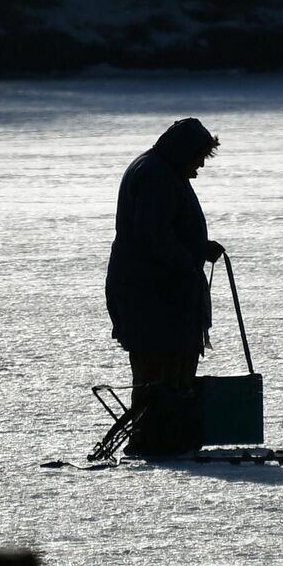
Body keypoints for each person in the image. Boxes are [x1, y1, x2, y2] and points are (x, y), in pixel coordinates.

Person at [104, 117, 226, 456]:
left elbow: (161, 233)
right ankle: (154, 439)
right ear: (184, 151)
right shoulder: (157, 176)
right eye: (199, 157)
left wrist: (198, 249)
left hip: (152, 291)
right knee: (160, 366)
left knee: (163, 365)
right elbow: (153, 237)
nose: (201, 165)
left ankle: (161, 437)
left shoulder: (160, 171)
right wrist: (190, 260)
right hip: (152, 294)